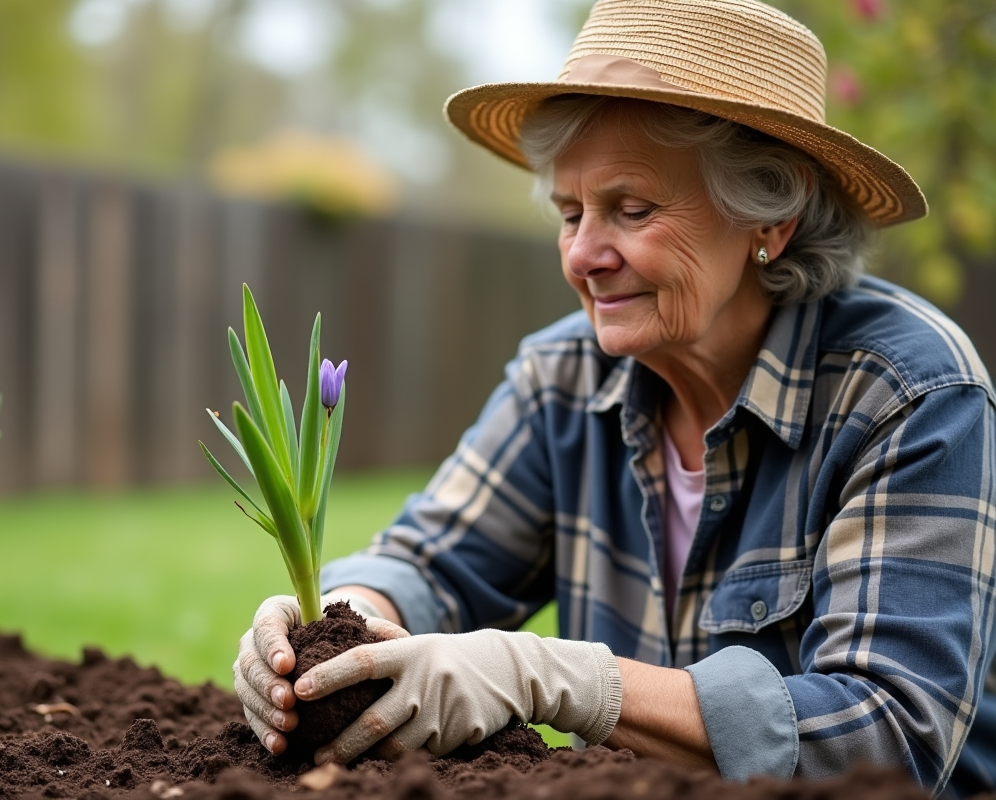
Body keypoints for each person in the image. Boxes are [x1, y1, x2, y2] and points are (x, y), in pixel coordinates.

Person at [233, 0, 996, 795]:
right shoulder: (563, 376)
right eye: (570, 213)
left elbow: (889, 737)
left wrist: (552, 676)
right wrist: (326, 630)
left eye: (632, 210)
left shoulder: (908, 393)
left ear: (773, 216)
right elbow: (432, 564)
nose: (585, 255)